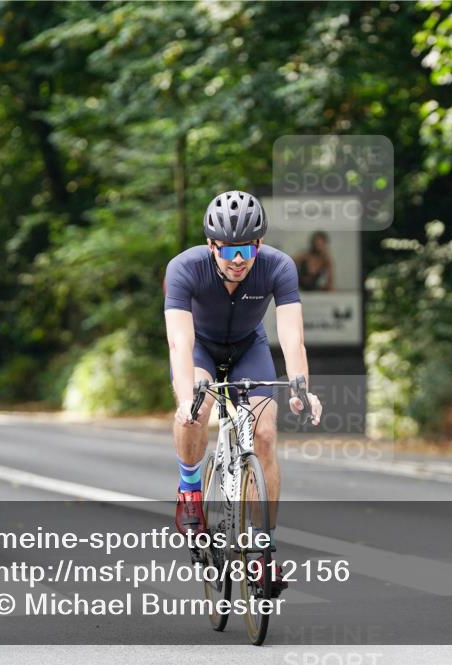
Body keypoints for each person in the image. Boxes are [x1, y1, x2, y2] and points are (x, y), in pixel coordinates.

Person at [164, 190, 323, 596]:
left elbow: (290, 334)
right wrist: (186, 399)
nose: (239, 258)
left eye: (248, 247)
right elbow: (180, 343)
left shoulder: (277, 267)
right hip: (202, 348)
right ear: (211, 245)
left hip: (249, 349)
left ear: (260, 244)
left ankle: (262, 551)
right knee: (196, 413)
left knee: (265, 435)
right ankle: (189, 490)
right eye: (229, 248)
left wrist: (300, 383)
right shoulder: (185, 269)